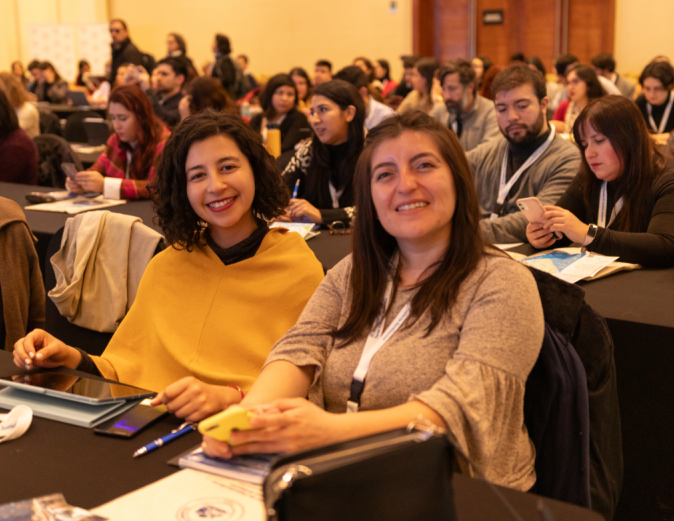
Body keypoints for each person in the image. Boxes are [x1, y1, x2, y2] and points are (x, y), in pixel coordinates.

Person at [202, 111, 544, 492]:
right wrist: (248, 419)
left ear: (458, 179)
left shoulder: (502, 282)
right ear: (370, 196)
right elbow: (299, 348)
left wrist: (329, 431)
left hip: (461, 492)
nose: (406, 185)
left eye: (424, 165)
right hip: (347, 478)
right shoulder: (354, 272)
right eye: (385, 174)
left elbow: (463, 406)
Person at [12, 110, 325, 420]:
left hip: (242, 431)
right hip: (150, 422)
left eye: (228, 167)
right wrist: (69, 357)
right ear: (182, 189)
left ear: (255, 170)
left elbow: (311, 390)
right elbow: (124, 369)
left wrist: (232, 399)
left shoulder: (296, 269)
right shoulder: (168, 265)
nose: (215, 186)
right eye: (197, 175)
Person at [526, 95, 674, 268]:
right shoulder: (591, 177)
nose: (589, 153)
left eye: (598, 141)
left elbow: (666, 247)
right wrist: (545, 235)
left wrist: (588, 234)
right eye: (585, 144)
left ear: (630, 137)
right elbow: (566, 231)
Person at [466, 64, 580, 243]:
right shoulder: (485, 153)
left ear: (543, 105)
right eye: (501, 109)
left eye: (522, 106)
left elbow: (538, 221)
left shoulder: (568, 160)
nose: (512, 116)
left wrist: (459, 234)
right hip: (478, 250)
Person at [279, 80, 365, 225]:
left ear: (349, 113)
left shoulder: (372, 153)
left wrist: (321, 215)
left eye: (323, 110)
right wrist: (278, 208)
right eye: (312, 112)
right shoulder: (309, 150)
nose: (314, 120)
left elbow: (376, 211)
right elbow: (280, 188)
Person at [68, 85, 169, 200]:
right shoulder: (115, 140)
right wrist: (81, 182)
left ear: (141, 117)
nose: (116, 126)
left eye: (122, 118)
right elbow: (96, 170)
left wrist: (105, 186)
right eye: (113, 118)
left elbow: (156, 187)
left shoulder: (163, 142)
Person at [430, 61, 500, 152]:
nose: (446, 96)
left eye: (452, 89)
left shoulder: (490, 112)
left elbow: (488, 153)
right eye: (443, 89)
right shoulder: (440, 111)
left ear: (470, 87)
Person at [248, 74, 310, 155]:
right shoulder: (258, 118)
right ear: (270, 94)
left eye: (290, 94)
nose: (284, 98)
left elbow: (287, 147)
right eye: (280, 93)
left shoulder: (299, 118)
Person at [635, 60, 674, 137]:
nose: (651, 94)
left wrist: (652, 138)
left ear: (668, 86)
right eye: (647, 88)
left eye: (657, 89)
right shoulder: (640, 102)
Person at [333, 66, 395, 131]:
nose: (341, 101)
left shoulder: (386, 117)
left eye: (345, 96)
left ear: (363, 92)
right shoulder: (341, 112)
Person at [552, 65, 606, 135]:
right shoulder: (564, 106)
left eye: (575, 81)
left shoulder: (602, 108)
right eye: (568, 83)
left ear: (588, 83)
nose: (570, 87)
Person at [0, 72, 40, 139]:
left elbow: (8, 135)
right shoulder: (4, 109)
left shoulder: (27, 110)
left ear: (11, 91)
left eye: (0, 92)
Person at [147, 57, 187, 128]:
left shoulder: (183, 103)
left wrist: (148, 89)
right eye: (158, 73)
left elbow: (167, 119)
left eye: (164, 74)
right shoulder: (156, 96)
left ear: (179, 79)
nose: (158, 78)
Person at [109, 19, 144, 86]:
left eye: (117, 31)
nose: (113, 34)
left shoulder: (131, 51)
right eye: (111, 31)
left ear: (126, 32)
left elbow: (134, 79)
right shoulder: (117, 49)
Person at [211, 33, 245, 99]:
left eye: (214, 42)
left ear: (220, 45)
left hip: (226, 98)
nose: (212, 45)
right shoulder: (222, 60)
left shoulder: (225, 61)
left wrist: (211, 82)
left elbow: (228, 80)